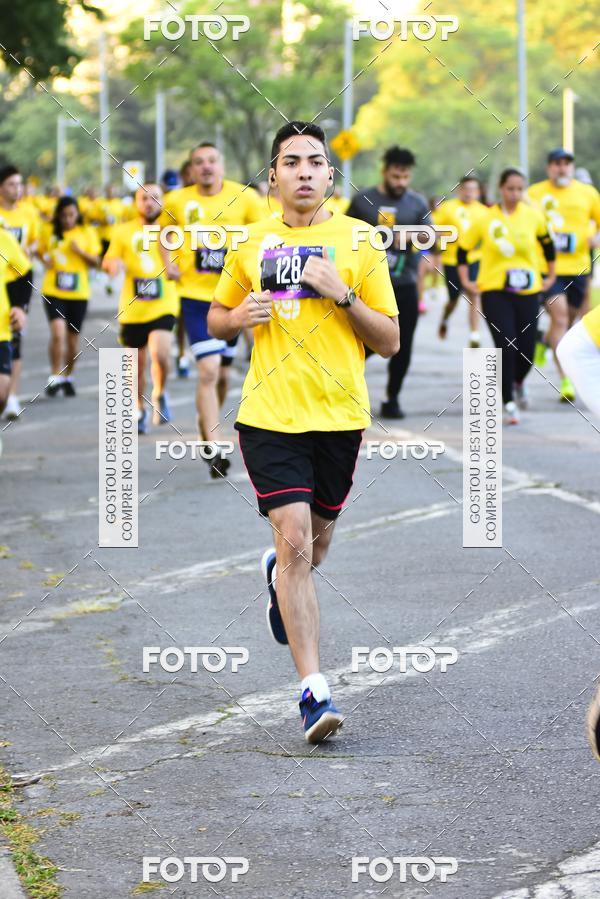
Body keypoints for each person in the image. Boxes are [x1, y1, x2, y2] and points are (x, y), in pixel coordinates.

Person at [207, 121, 399, 742]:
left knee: (313, 551)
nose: (305, 172)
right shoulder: (250, 244)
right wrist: (237, 316)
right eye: (292, 162)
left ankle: (277, 576)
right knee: (293, 538)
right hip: (269, 416)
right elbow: (216, 317)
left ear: (331, 176)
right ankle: (313, 693)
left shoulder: (362, 243)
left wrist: (342, 295)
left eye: (316, 162)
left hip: (339, 418)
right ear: (273, 176)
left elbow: (389, 341)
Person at [162, 142, 262, 477]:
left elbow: (263, 237)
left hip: (232, 295)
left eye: (212, 161)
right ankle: (215, 446)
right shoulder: (177, 200)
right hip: (194, 297)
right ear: (191, 169)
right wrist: (169, 264)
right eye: (198, 162)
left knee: (221, 375)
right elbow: (165, 235)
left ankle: (208, 426)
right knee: (207, 370)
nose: (206, 167)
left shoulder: (245, 198)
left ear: (222, 165)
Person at [458, 168, 555, 425]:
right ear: (501, 188)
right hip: (494, 290)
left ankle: (519, 380)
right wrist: (467, 280)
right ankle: (508, 401)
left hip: (528, 289)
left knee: (527, 350)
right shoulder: (485, 218)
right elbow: (462, 249)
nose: (515, 194)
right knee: (507, 345)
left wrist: (551, 276)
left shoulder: (533, 216)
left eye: (519, 189)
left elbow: (548, 245)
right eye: (510, 188)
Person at [346, 146, 429, 418]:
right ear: (384, 172)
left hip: (403, 283)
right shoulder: (362, 201)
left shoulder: (417, 203)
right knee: (363, 340)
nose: (401, 183)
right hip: (367, 285)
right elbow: (343, 235)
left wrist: (408, 237)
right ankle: (344, 386)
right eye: (396, 176)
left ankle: (392, 397)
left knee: (402, 344)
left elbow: (432, 238)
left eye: (405, 177)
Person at [103, 183, 178, 434]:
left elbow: (180, 270)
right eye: (144, 198)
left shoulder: (172, 233)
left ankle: (160, 392)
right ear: (137, 203)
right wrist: (113, 266)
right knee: (136, 365)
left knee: (161, 354)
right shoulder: (123, 231)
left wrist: (171, 265)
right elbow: (109, 260)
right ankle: (138, 408)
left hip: (163, 305)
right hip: (133, 308)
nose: (149, 202)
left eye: (155, 197)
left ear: (163, 202)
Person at [527, 149, 600, 401]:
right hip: (548, 267)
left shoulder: (588, 193)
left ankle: (545, 342)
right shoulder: (535, 193)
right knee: (559, 318)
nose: (562, 168)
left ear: (572, 167)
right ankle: (566, 379)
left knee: (569, 322)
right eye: (557, 164)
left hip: (579, 267)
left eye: (566, 164)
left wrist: (596, 238)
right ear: (549, 168)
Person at [39, 197, 101, 396]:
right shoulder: (48, 231)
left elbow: (96, 261)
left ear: (77, 215)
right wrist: (45, 260)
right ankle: (55, 375)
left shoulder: (86, 233)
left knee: (73, 340)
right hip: (53, 290)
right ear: (58, 215)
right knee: (57, 333)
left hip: (78, 293)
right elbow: (39, 250)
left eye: (71, 215)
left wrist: (79, 251)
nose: (67, 219)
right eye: (64, 215)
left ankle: (68, 376)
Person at [0, 165, 40, 419]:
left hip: (10, 283)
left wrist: (19, 305)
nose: (18, 189)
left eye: (19, 183)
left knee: (16, 342)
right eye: (12, 184)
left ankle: (11, 395)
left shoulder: (28, 214)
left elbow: (28, 267)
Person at [433, 176, 487, 347]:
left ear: (478, 192)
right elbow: (432, 228)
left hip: (474, 259)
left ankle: (474, 335)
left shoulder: (484, 212)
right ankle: (446, 318)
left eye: (473, 189)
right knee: (453, 299)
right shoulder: (447, 208)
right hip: (452, 260)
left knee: (474, 294)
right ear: (459, 190)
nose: (469, 193)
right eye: (466, 189)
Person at [0, 229, 29, 436]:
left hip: (1, 328)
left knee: (2, 391)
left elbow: (24, 272)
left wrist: (19, 306)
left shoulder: (5, 238)